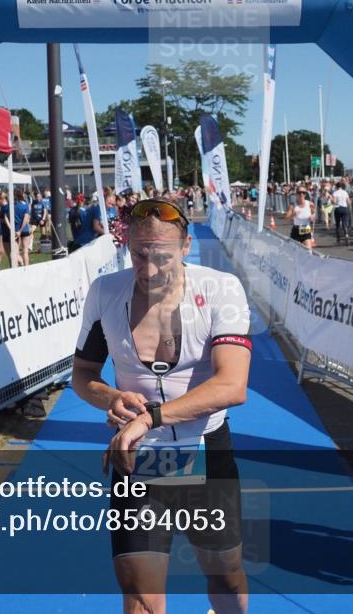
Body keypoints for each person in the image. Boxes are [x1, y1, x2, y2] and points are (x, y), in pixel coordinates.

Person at [71, 199, 251, 614]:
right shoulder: (105, 292)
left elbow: (231, 385)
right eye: (138, 255)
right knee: (139, 596)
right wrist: (111, 397)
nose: (149, 270)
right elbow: (83, 374)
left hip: (206, 452)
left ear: (186, 246)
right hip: (138, 463)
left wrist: (148, 418)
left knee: (225, 577)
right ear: (127, 246)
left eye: (162, 258)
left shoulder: (221, 288)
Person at [13, 188, 32, 266]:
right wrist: (21, 230)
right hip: (24, 230)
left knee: (16, 252)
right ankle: (26, 266)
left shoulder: (13, 205)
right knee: (25, 251)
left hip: (15, 230)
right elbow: (26, 219)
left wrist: (18, 231)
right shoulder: (26, 205)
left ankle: (19, 264)